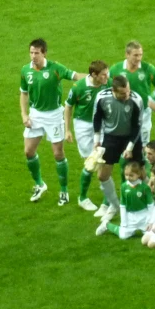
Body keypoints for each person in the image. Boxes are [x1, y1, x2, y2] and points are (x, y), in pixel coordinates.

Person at [20, 38, 83, 205]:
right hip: (35, 115)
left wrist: (95, 78)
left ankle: (63, 191)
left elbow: (75, 76)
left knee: (58, 153)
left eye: (37, 53)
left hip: (54, 116)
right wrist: (24, 115)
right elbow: (24, 93)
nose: (33, 56)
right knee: (28, 152)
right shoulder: (26, 70)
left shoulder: (55, 68)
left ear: (44, 53)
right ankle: (40, 184)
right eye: (31, 52)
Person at [92, 75, 145, 221]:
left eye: (128, 91)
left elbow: (137, 127)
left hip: (131, 137)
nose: (127, 95)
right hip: (111, 137)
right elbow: (97, 118)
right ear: (114, 91)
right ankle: (116, 205)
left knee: (139, 173)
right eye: (123, 93)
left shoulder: (136, 100)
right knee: (102, 176)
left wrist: (129, 148)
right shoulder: (102, 98)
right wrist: (97, 140)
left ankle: (146, 203)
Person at [64, 60, 111, 212]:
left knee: (104, 159)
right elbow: (68, 106)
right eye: (103, 75)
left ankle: (107, 199)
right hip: (83, 125)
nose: (106, 77)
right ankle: (82, 198)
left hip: (103, 124)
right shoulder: (79, 87)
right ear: (94, 75)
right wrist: (67, 130)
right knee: (90, 162)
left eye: (107, 73)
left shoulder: (108, 84)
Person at [109, 41, 155, 146]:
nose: (139, 58)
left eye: (140, 55)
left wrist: (154, 99)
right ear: (127, 55)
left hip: (144, 111)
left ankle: (143, 160)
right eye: (135, 55)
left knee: (143, 140)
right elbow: (107, 87)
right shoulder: (116, 69)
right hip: (122, 111)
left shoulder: (148, 68)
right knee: (124, 140)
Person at [96, 162, 154, 239]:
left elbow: (150, 205)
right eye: (126, 175)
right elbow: (123, 205)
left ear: (139, 174)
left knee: (151, 235)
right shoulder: (124, 187)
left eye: (131, 175)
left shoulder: (144, 187)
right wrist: (124, 221)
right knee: (123, 236)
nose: (128, 177)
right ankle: (106, 225)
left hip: (143, 215)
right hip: (130, 216)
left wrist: (150, 220)